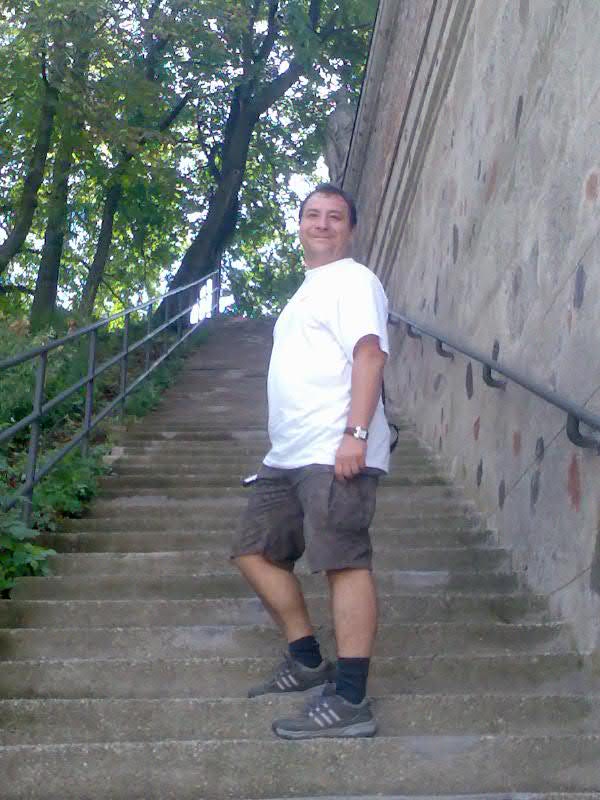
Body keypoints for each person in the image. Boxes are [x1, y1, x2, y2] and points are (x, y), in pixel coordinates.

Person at [231, 183, 390, 739]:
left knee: (343, 562)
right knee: (253, 552)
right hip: (287, 455)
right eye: (313, 215)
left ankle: (350, 699)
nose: (322, 223)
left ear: (351, 229)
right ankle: (305, 659)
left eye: (335, 216)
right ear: (299, 225)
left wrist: (356, 433)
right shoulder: (304, 293)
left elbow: (369, 355)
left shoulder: (353, 279)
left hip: (333, 447)